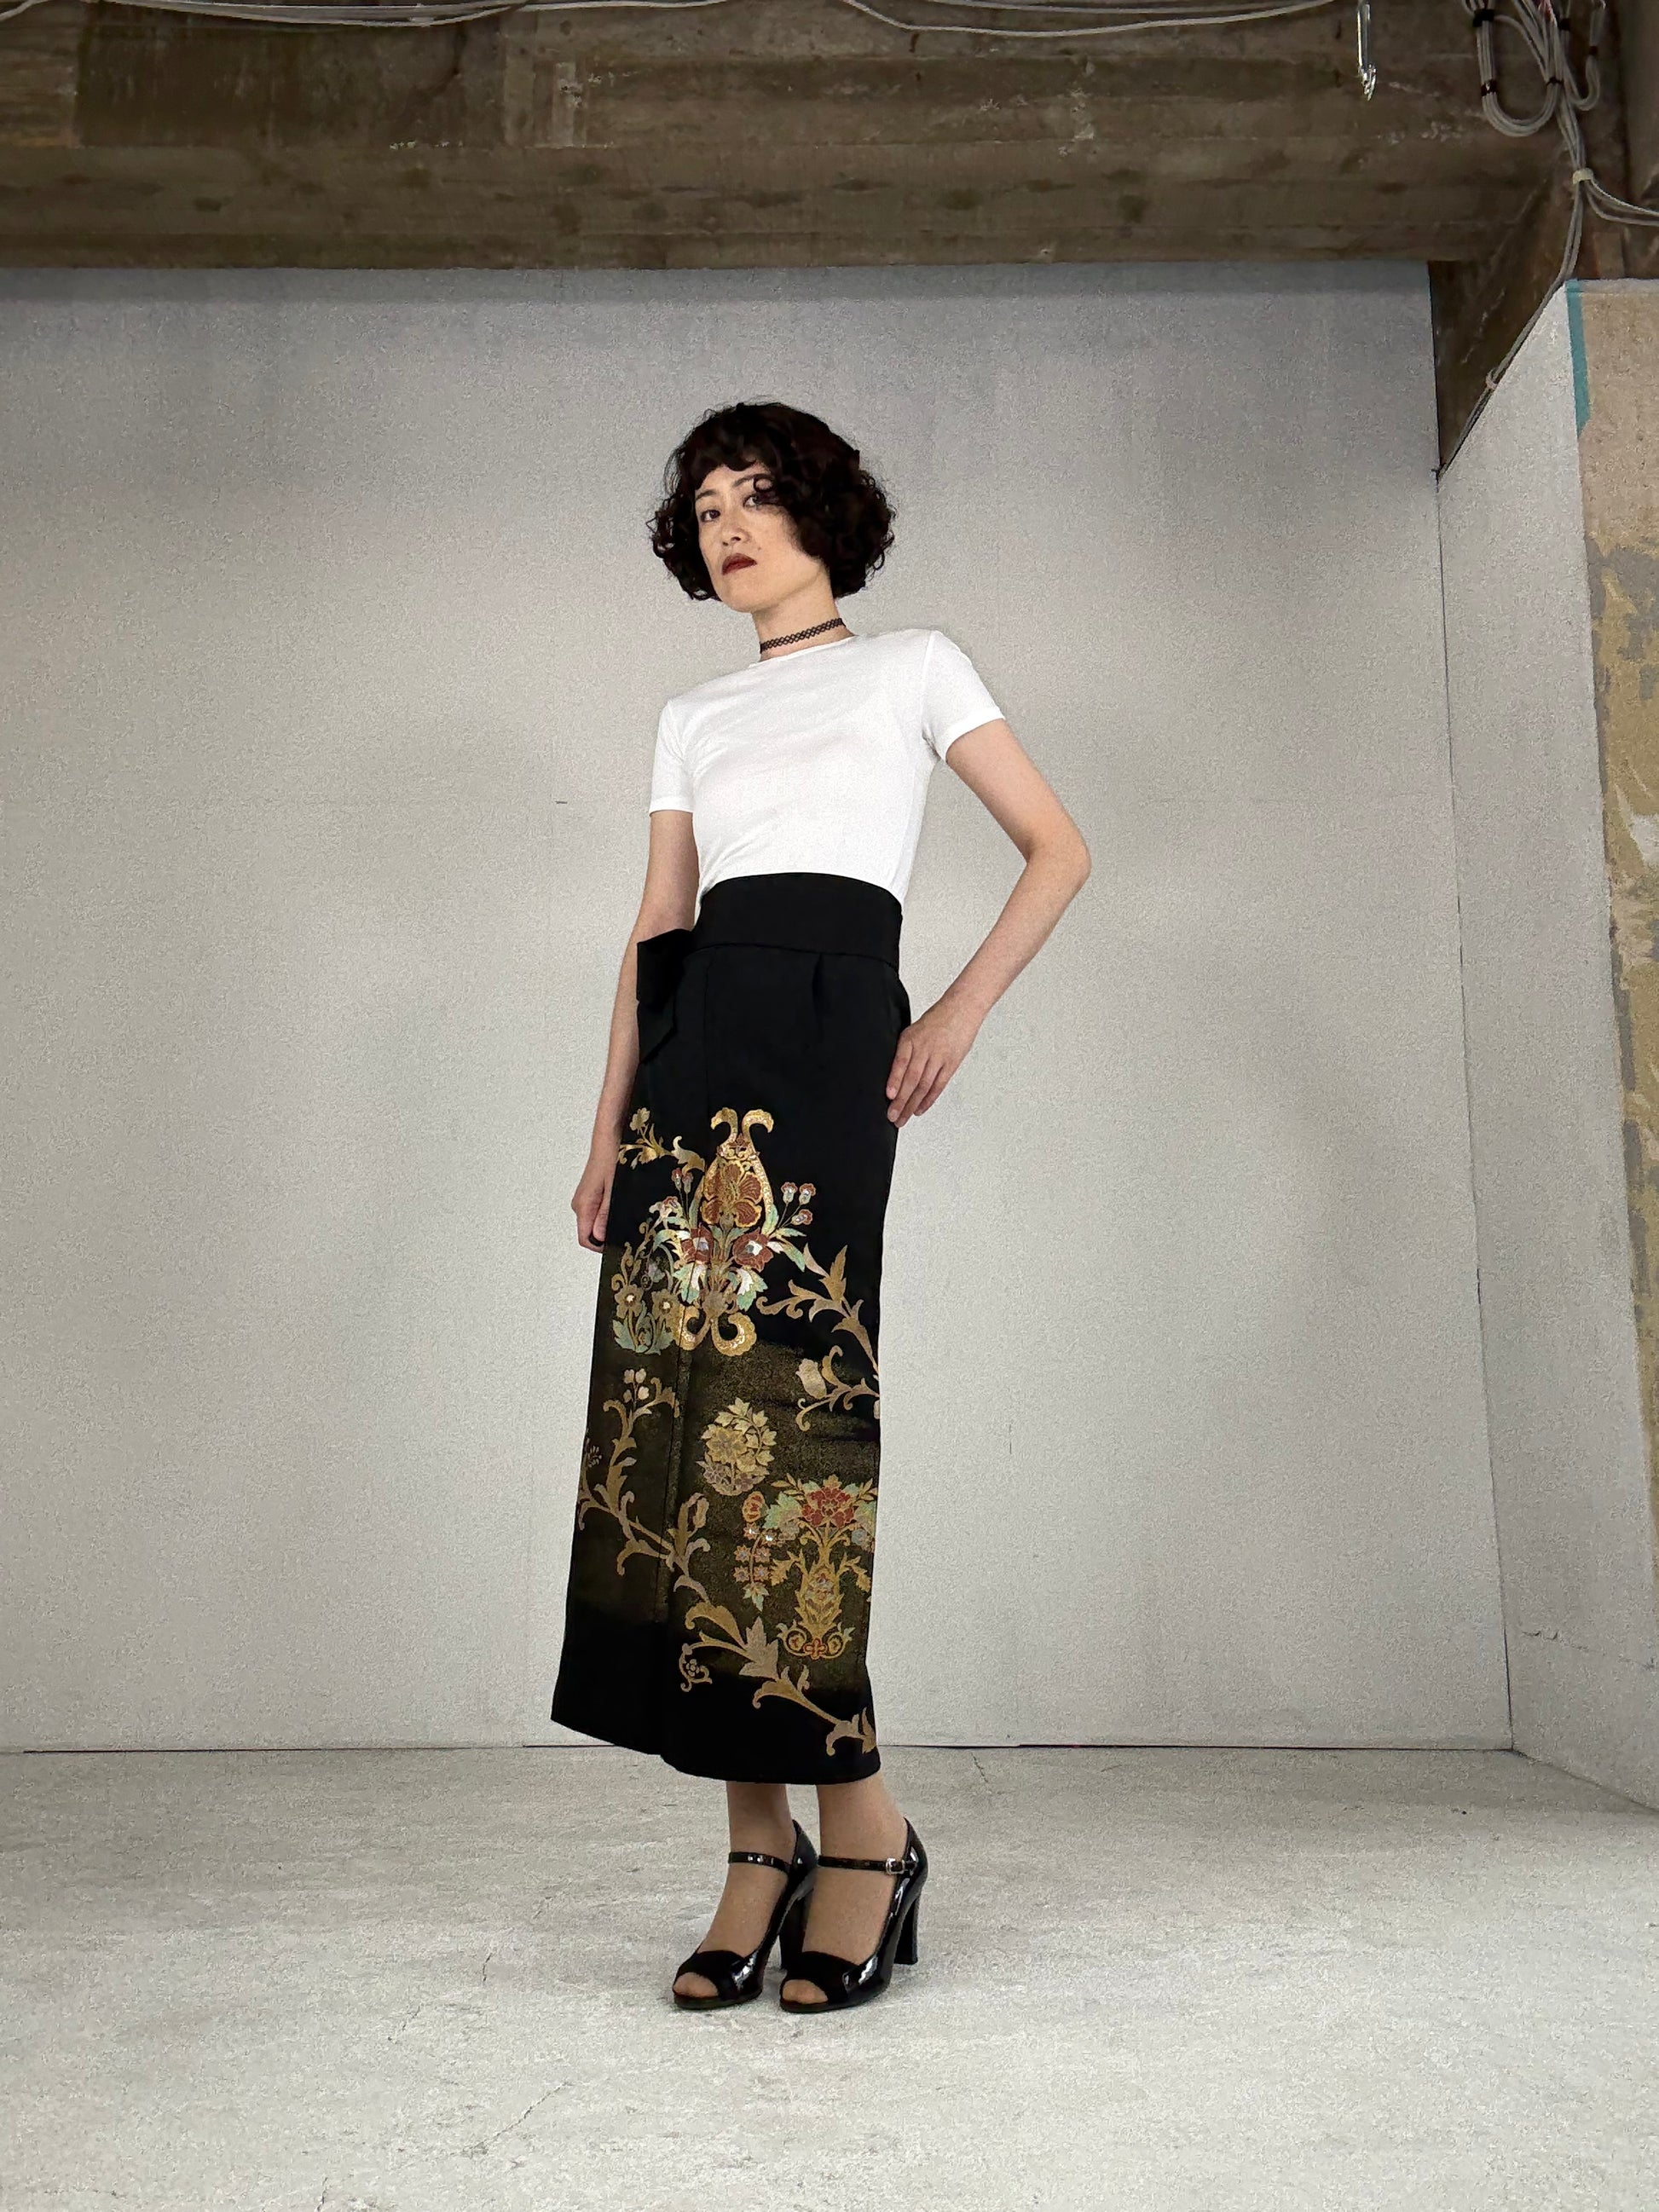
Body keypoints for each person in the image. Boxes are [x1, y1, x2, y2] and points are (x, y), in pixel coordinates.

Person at [551, 399, 1090, 2013]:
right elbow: (656, 925)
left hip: (832, 1035)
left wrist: (954, 1013)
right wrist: (605, 1131)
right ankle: (754, 1843)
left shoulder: (916, 664)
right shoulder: (691, 711)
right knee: (675, 1432)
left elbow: (1057, 849)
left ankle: (860, 1830)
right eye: (705, 506)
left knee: (791, 1439)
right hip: (695, 1053)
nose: (727, 525)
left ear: (820, 514)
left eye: (755, 495)